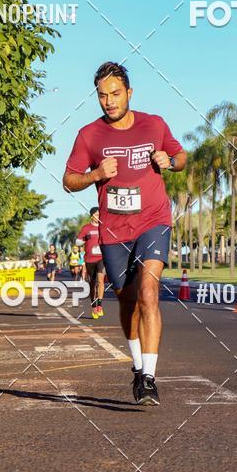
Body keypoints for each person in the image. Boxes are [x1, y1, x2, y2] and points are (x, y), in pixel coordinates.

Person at [63, 62, 186, 406]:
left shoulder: (154, 124)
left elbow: (180, 157)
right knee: (128, 299)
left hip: (153, 220)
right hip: (114, 230)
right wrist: (96, 174)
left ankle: (148, 377)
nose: (109, 101)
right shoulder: (90, 135)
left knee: (149, 292)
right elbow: (69, 180)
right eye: (102, 96)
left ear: (129, 93)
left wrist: (169, 160)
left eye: (115, 94)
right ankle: (137, 365)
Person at [76, 206, 106, 320]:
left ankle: (99, 305)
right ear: (92, 215)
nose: (98, 216)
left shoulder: (104, 227)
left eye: (100, 214)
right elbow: (78, 241)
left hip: (101, 258)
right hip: (89, 259)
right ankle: (93, 305)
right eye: (97, 214)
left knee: (100, 280)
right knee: (92, 284)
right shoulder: (86, 228)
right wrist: (84, 239)